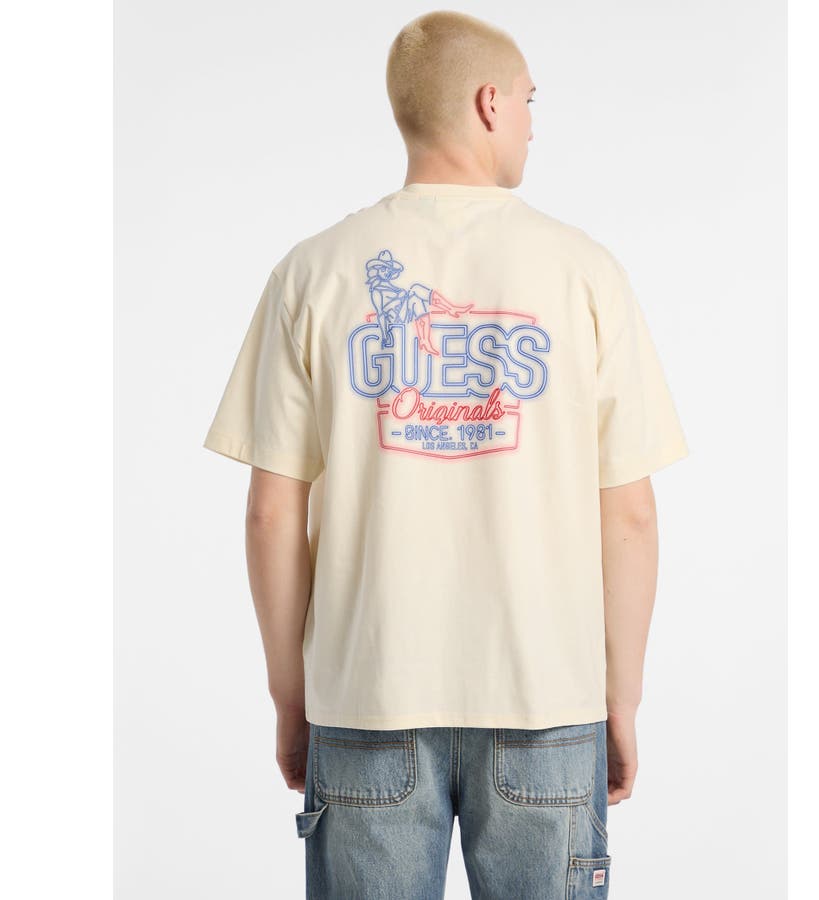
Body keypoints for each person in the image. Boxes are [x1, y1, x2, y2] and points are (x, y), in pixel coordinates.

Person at [202, 10, 688, 899]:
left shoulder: (313, 271)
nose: (535, 123)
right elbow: (630, 514)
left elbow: (271, 512)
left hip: (367, 696)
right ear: (490, 103)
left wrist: (291, 697)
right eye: (531, 101)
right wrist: (620, 699)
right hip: (548, 700)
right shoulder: (583, 272)